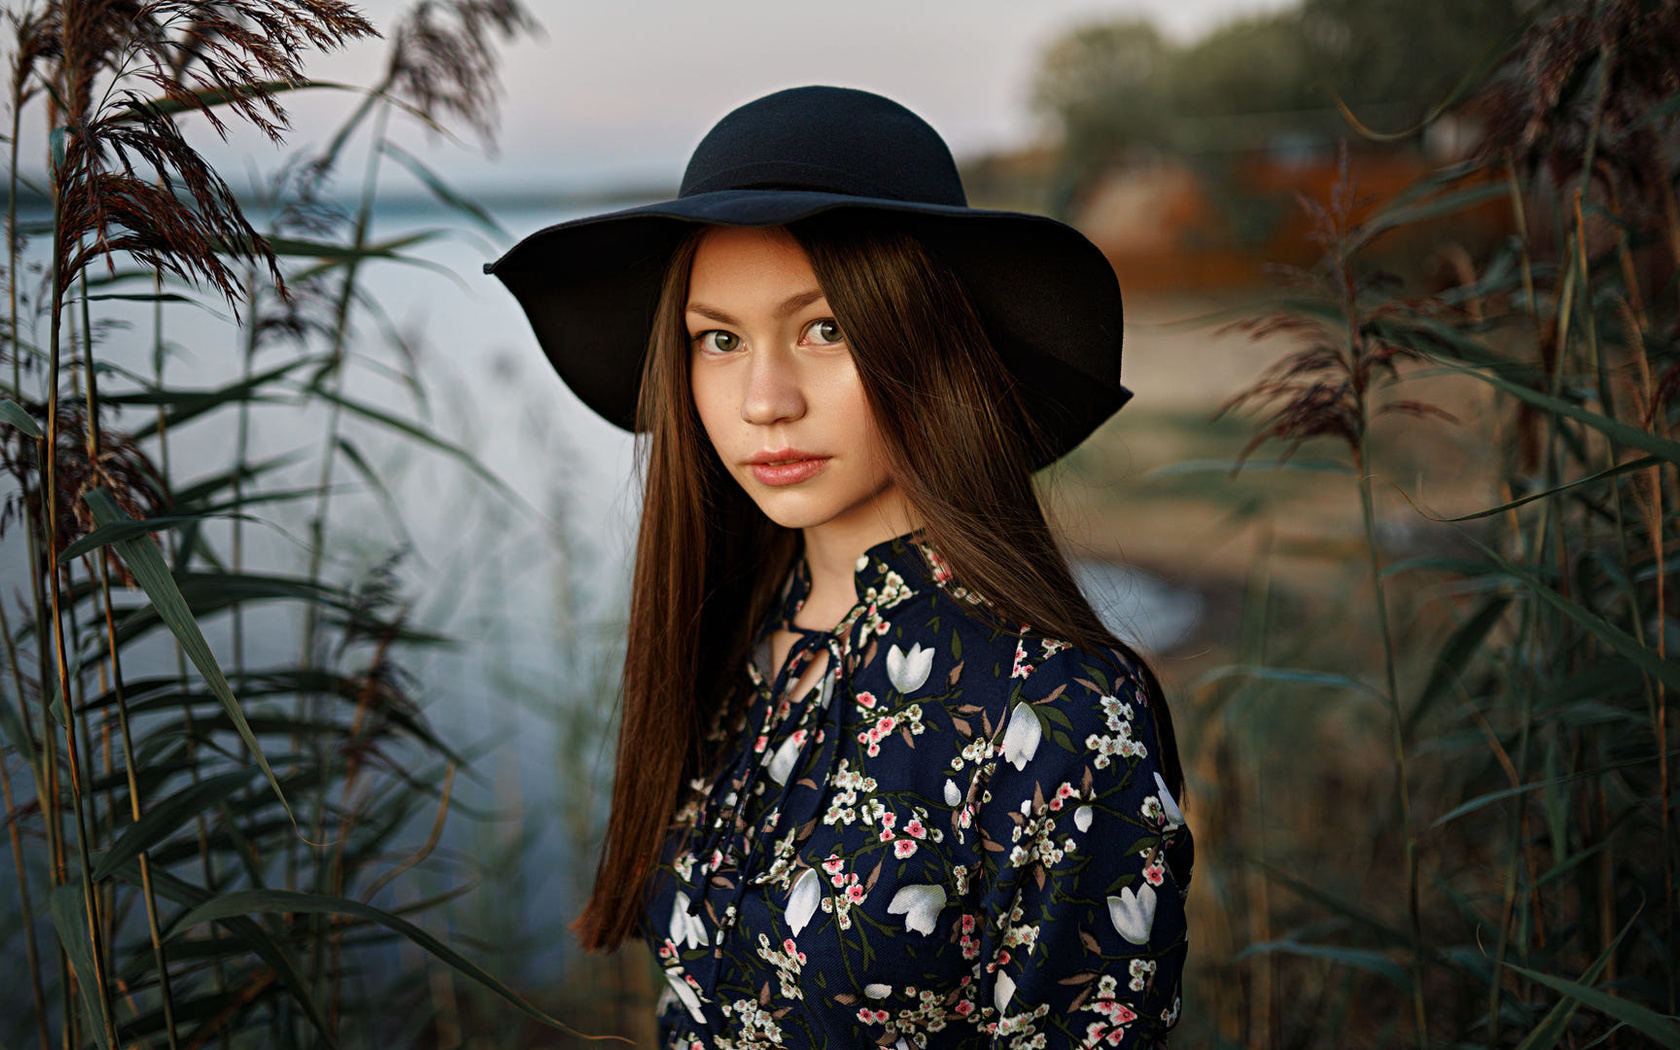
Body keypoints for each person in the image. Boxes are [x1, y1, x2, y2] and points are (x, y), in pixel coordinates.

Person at [488, 85, 1192, 1049]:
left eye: (825, 328)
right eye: (719, 339)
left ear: (931, 343)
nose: (764, 400)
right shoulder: (735, 644)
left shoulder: (1061, 713)